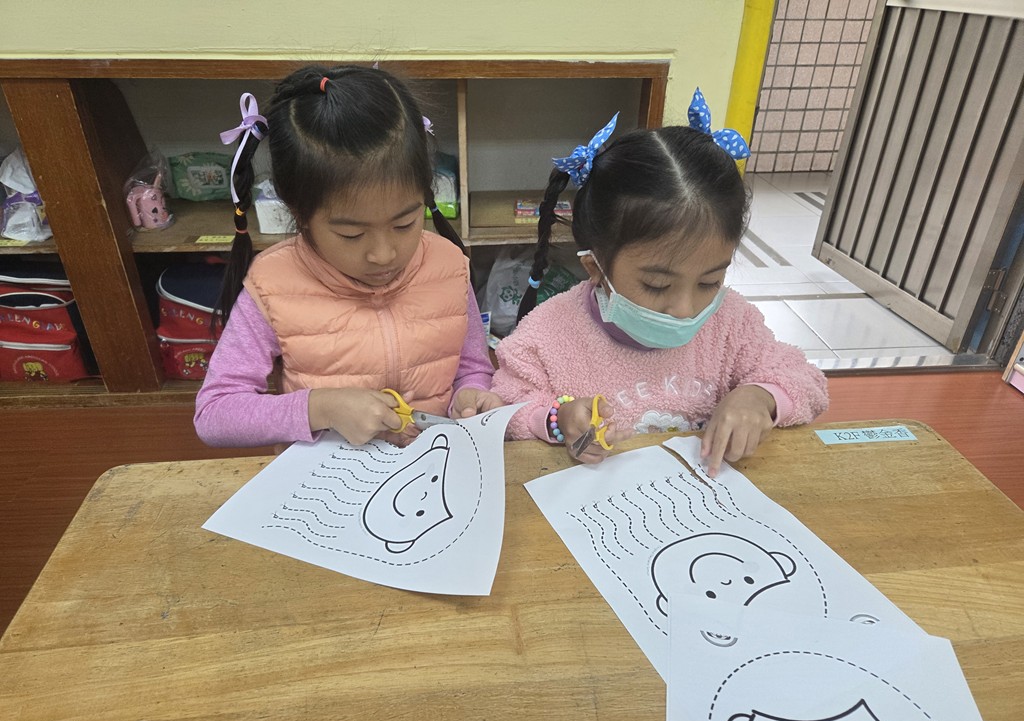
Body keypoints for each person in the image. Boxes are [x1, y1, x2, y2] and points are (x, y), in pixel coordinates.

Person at [491, 89, 828, 476]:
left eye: (709, 282)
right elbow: (505, 408)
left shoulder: (732, 324)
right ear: (595, 267)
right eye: (656, 285)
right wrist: (557, 419)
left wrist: (760, 397)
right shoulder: (546, 336)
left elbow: (807, 381)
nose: (685, 309)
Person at [195, 65, 501, 449]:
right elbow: (214, 414)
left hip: (429, 465)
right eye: (351, 235)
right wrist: (320, 408)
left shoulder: (448, 267)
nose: (383, 254)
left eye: (405, 223)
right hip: (328, 474)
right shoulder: (273, 285)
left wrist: (471, 395)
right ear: (300, 214)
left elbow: (471, 369)